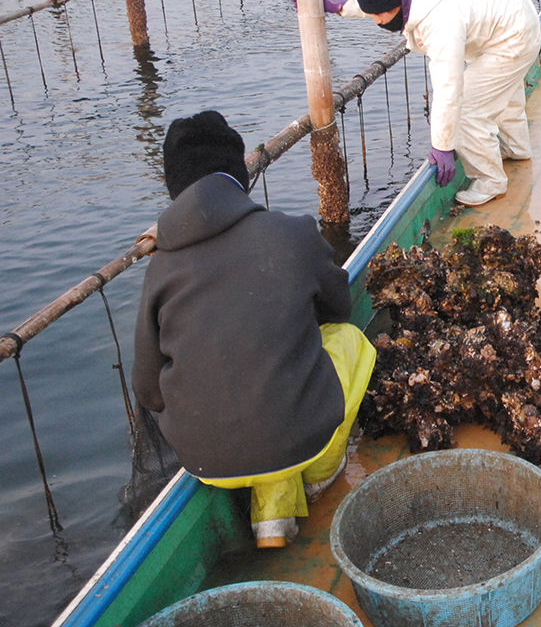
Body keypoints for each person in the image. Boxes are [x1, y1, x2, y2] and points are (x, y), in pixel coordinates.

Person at [132, 111, 376, 548]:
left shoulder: (160, 266)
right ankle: (320, 478)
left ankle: (273, 519)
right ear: (238, 171)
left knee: (250, 384)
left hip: (203, 460)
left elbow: (148, 390)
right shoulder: (290, 232)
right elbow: (339, 305)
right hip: (297, 439)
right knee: (348, 341)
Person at [323, 0, 541, 207]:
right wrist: (340, 3)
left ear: (395, 5)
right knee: (504, 96)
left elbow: (449, 89)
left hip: (513, 38)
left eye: (378, 15)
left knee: (468, 110)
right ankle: (517, 148)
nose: (376, 21)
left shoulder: (441, 21)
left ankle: (490, 180)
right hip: (514, 19)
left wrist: (442, 145)